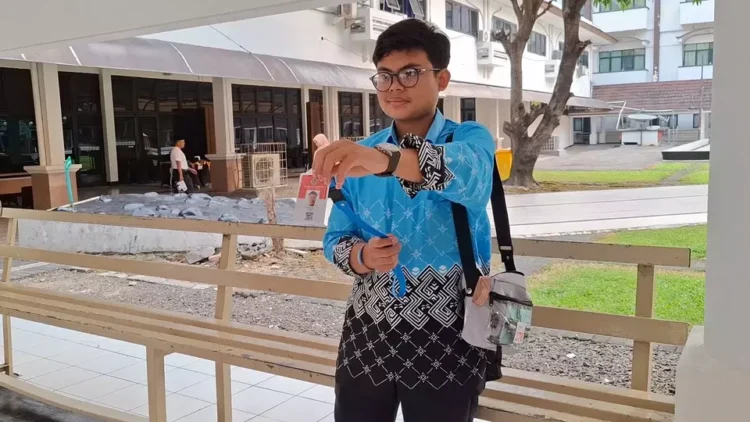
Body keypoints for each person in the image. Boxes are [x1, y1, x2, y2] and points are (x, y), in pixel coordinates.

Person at [314, 19, 496, 422]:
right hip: (368, 330)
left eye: (410, 73)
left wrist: (386, 160)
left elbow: (473, 177)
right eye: (385, 76)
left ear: (442, 79)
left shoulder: (469, 138)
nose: (394, 86)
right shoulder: (361, 154)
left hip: (450, 329)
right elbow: (335, 238)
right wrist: (362, 256)